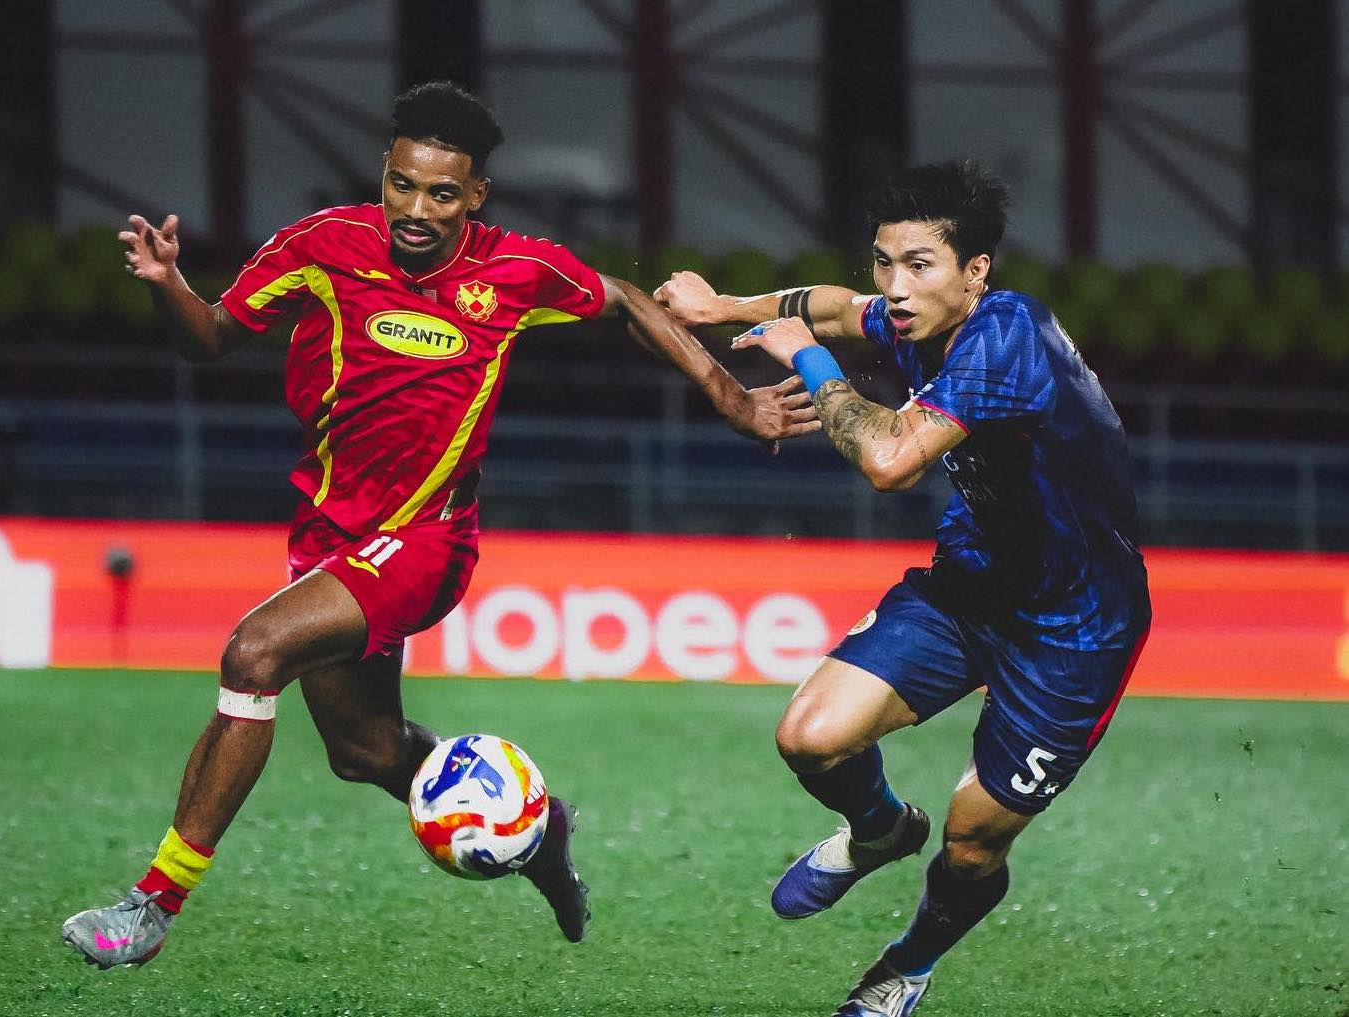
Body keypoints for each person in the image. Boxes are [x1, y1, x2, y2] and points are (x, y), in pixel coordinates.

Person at [61, 81, 819, 970]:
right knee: (366, 752)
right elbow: (212, 338)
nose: (417, 210)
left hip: (427, 541)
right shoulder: (323, 245)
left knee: (252, 653)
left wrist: (735, 402)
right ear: (384, 176)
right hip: (328, 538)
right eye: (402, 185)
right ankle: (540, 831)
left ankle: (151, 906)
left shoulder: (516, 270)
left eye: (442, 194)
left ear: (476, 197)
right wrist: (168, 286)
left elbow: (622, 298)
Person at [656, 161, 1151, 1017]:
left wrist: (808, 363)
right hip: (971, 581)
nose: (893, 286)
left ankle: (907, 964)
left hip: (1074, 628)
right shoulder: (909, 313)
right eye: (885, 261)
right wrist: (724, 308)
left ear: (977, 271)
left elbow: (887, 459)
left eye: (919, 264)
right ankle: (882, 828)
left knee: (970, 848)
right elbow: (837, 305)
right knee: (811, 738)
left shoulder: (1006, 337)